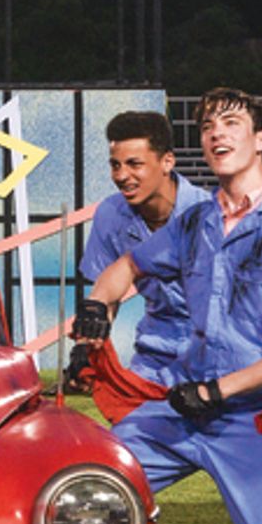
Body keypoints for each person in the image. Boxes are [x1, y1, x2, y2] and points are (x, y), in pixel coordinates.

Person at [74, 88, 262, 524]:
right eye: (209, 126)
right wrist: (95, 309)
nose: (217, 133)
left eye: (232, 123)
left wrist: (221, 390)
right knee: (86, 486)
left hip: (256, 419)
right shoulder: (195, 222)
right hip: (181, 408)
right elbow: (126, 267)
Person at [77, 110, 208, 384]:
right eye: (115, 165)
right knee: (129, 425)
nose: (122, 176)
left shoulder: (208, 213)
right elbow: (106, 296)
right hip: (155, 350)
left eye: (134, 164)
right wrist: (86, 347)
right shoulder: (110, 214)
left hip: (214, 349)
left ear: (167, 161)